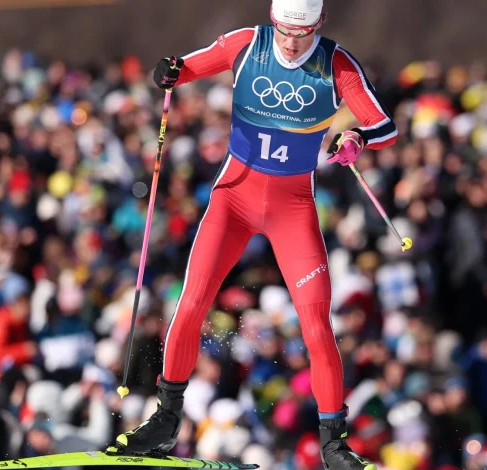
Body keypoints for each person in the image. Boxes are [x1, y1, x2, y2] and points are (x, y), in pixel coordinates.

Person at [112, 1, 397, 468]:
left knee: (317, 326)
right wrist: (167, 71)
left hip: (293, 210)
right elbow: (183, 69)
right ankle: (165, 419)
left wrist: (356, 140)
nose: (290, 42)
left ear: (318, 26)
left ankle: (333, 444)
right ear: (273, 20)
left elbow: (383, 125)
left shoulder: (336, 63)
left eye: (301, 33)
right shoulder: (248, 43)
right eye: (284, 30)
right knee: (191, 303)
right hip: (233, 201)